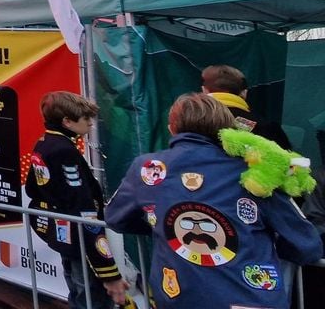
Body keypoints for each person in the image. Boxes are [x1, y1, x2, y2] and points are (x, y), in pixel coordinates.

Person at [105, 93, 323, 309]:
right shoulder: (256, 172)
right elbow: (306, 245)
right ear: (228, 129)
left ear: (171, 128)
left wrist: (162, 227)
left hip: (176, 296)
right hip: (249, 298)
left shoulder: (147, 168)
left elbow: (115, 217)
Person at [24, 92, 127, 308]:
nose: (91, 123)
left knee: (77, 290)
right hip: (81, 239)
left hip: (64, 234)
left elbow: (33, 188)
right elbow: (83, 210)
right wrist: (108, 271)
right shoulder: (64, 150)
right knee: (90, 297)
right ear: (67, 122)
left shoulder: (44, 142)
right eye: (86, 119)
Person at [200, 64, 293, 149]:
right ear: (244, 93)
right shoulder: (265, 127)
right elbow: (290, 162)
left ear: (204, 90)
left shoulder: (189, 120)